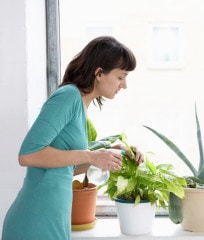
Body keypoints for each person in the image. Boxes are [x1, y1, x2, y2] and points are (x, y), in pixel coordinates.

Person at [2, 36, 144, 240]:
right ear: (99, 73)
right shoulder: (68, 96)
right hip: (35, 220)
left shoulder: (81, 105)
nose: (124, 85)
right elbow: (28, 154)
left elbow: (65, 167)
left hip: (53, 217)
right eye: (121, 77)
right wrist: (91, 156)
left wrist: (114, 153)